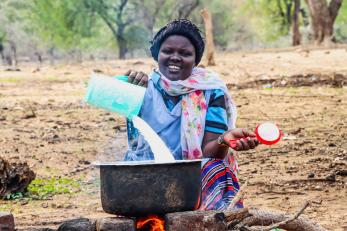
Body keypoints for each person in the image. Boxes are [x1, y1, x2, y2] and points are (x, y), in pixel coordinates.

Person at [123, 19, 258, 210]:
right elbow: (102, 94)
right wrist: (127, 87)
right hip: (149, 173)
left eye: (185, 53)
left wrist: (224, 139)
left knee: (218, 169)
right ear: (157, 55)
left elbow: (209, 155)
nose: (175, 58)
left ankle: (218, 222)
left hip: (191, 177)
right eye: (168, 51)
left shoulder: (211, 91)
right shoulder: (141, 87)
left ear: (196, 60)